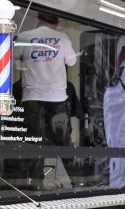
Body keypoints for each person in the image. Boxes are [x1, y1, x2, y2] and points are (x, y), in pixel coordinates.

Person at [14, 13, 78, 187]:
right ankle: (77, 182)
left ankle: (35, 184)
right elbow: (72, 62)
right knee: (64, 142)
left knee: (35, 142)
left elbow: (13, 58)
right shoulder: (62, 38)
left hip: (32, 97)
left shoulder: (25, 36)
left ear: (38, 20)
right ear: (56, 23)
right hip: (57, 97)